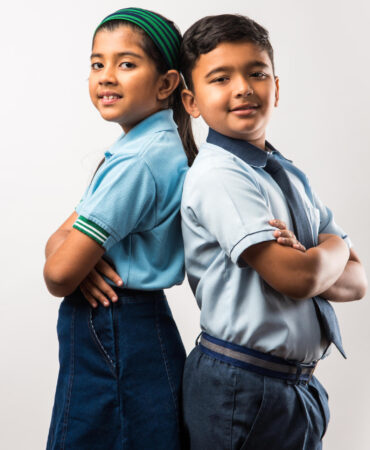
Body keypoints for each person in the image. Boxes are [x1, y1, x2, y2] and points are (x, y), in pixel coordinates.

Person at [179, 14, 367, 450]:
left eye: (256, 73)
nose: (243, 87)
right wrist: (334, 247)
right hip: (242, 386)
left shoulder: (287, 174)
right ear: (191, 101)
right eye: (220, 78)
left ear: (276, 88)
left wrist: (319, 255)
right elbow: (297, 279)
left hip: (293, 387)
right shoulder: (219, 176)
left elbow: (358, 281)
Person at [43, 8, 196, 450]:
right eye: (97, 63)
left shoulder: (138, 161)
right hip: (128, 325)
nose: (107, 76)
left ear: (166, 83)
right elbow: (58, 244)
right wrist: (75, 261)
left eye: (126, 64)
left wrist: (75, 264)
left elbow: (57, 272)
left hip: (116, 326)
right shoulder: (144, 147)